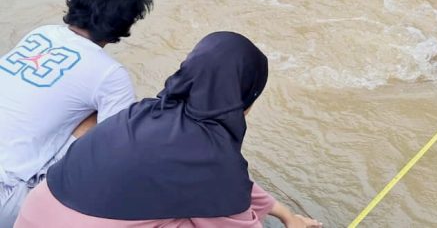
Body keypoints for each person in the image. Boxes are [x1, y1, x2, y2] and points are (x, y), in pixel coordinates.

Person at [15, 31, 323, 228]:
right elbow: (231, 198)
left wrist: (286, 215)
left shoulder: (146, 112)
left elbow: (233, 186)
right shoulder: (213, 160)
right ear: (245, 97)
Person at [0, 0, 153, 227]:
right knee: (108, 125)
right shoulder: (110, 75)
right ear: (126, 23)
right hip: (7, 197)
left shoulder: (41, 34)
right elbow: (117, 155)